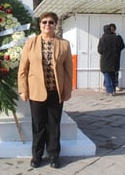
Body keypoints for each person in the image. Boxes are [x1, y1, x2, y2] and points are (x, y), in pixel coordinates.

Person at [17, 12, 73, 169]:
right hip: (36, 91)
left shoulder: (64, 44)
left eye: (51, 22)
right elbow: (23, 68)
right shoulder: (31, 43)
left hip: (56, 91)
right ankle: (37, 156)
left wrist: (67, 90)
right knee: (38, 125)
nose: (47, 25)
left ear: (55, 25)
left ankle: (54, 155)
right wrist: (23, 89)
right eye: (44, 22)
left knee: (54, 124)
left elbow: (69, 70)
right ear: (40, 25)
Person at [98, 25, 120, 96]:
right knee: (113, 75)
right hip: (114, 60)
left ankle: (109, 91)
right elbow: (121, 46)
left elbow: (100, 50)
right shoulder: (116, 38)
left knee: (107, 75)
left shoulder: (102, 39)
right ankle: (114, 90)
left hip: (105, 60)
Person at [109, 23, 125, 91]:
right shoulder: (106, 36)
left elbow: (122, 46)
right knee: (108, 71)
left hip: (116, 57)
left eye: (113, 29)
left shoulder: (118, 36)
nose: (112, 30)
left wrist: (117, 50)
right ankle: (106, 84)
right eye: (110, 29)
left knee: (115, 71)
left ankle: (116, 85)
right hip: (108, 57)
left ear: (115, 29)